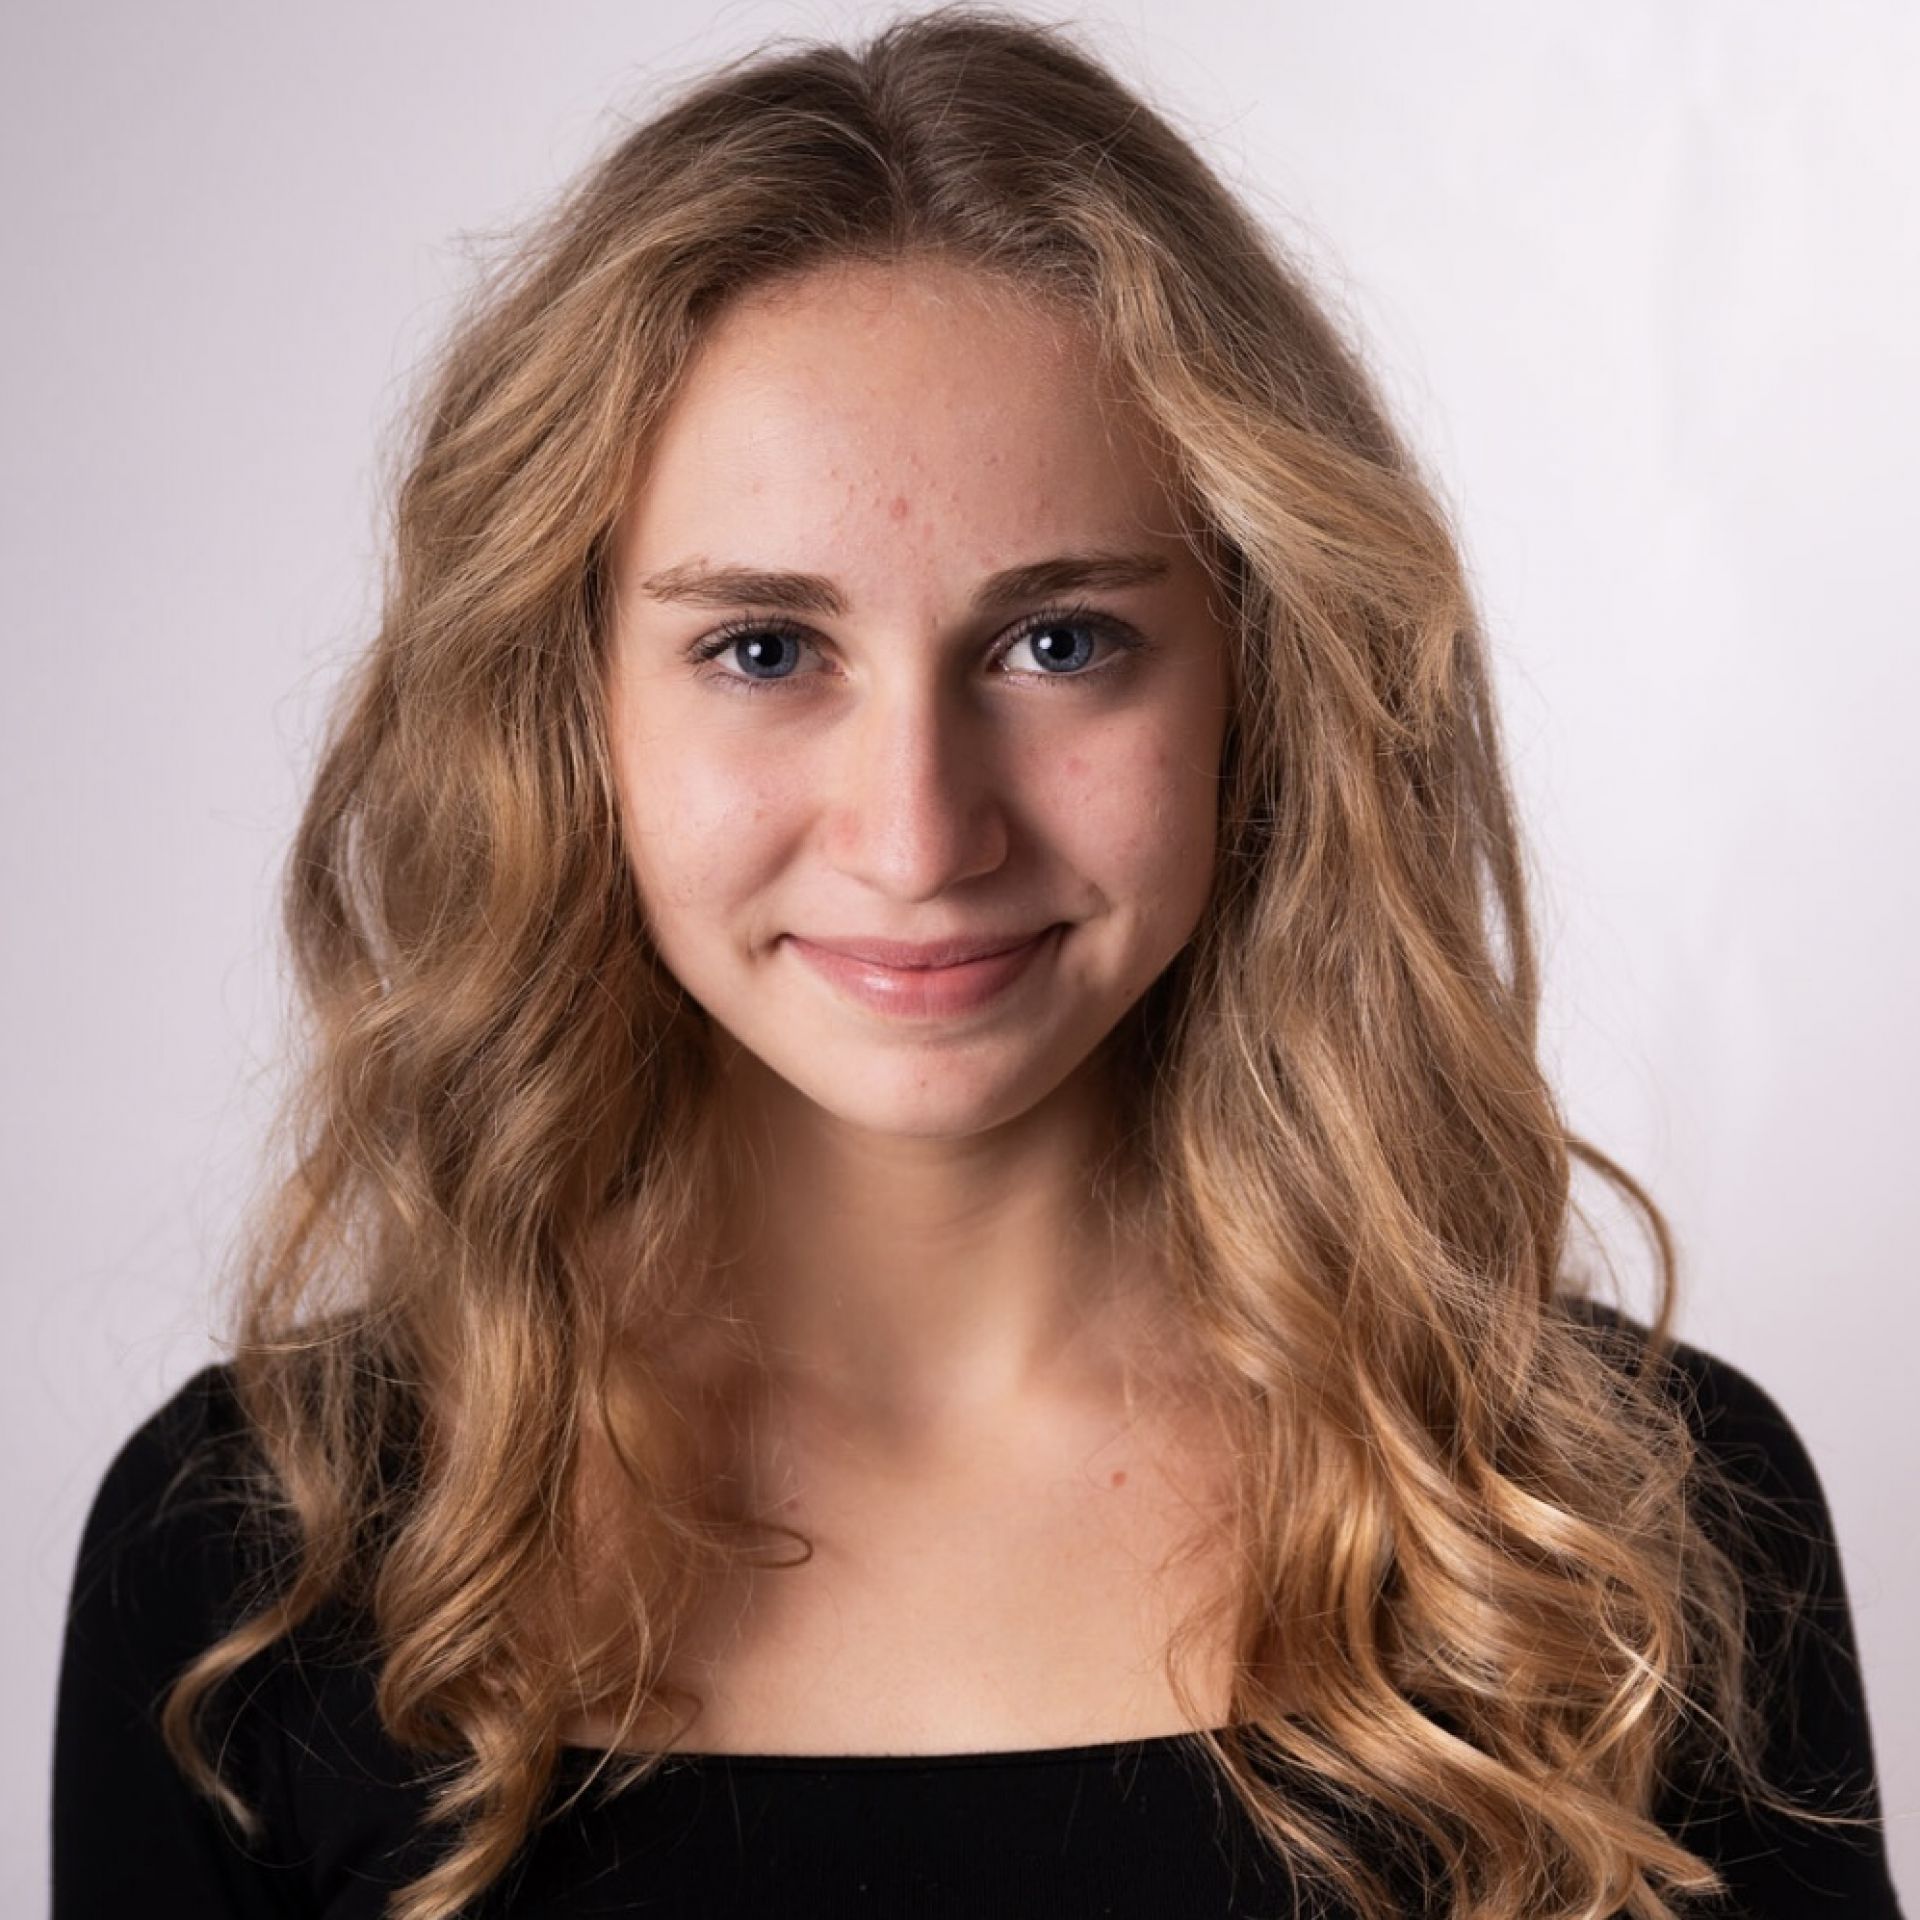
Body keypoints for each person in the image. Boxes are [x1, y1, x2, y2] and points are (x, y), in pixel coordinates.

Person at [50, 10, 1904, 1919]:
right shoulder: (256, 1573)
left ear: (1262, 685)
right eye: (765, 650)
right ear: (565, 709)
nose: (920, 836)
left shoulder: (1608, 1536)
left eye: (1060, 643)